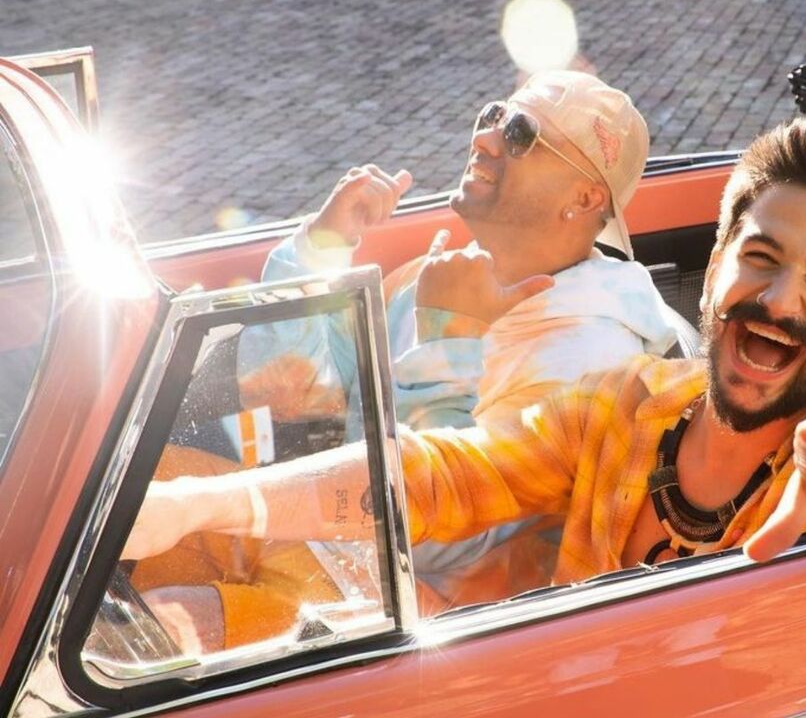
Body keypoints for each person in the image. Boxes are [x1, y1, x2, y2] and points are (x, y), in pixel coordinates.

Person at [126, 118, 806, 643]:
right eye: (762, 260)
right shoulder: (627, 404)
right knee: (158, 510)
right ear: (715, 269)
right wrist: (207, 506)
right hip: (519, 672)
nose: (780, 302)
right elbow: (440, 474)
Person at [136, 71, 678, 649]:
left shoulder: (590, 357)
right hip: (332, 531)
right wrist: (321, 248)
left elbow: (439, 537)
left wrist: (450, 337)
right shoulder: (444, 273)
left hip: (412, 610)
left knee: (163, 628)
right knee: (136, 485)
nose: (485, 138)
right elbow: (293, 391)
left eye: (520, 133)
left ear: (585, 198)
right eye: (493, 115)